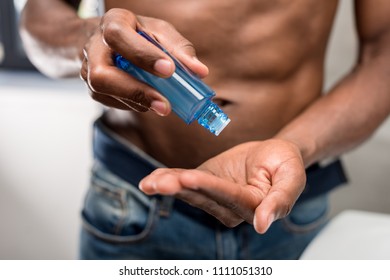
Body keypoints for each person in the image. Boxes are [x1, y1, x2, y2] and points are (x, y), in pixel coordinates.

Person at [19, 0, 390, 259]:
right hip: (130, 203)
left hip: (288, 210)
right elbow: (39, 13)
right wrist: (85, 38)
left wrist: (295, 146)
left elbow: (383, 52)